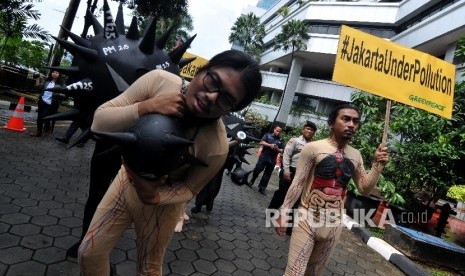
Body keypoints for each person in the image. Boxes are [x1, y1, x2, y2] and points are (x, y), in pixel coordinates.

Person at [78, 50, 262, 275]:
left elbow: (190, 188)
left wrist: (154, 195)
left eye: (226, 99)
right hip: (124, 183)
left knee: (148, 269)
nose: (211, 97)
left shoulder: (216, 146)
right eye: (212, 81)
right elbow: (98, 124)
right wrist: (147, 107)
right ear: (200, 72)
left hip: (163, 208)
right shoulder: (159, 81)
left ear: (231, 109)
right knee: (89, 253)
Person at [275, 104, 390, 275]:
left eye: (355, 121)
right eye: (346, 119)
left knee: (314, 272)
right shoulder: (313, 148)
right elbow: (298, 183)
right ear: (331, 123)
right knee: (294, 272)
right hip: (307, 216)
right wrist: (284, 212)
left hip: (334, 222)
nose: (351, 124)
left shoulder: (355, 155)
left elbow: (364, 189)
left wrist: (377, 166)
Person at [268, 121, 317, 234]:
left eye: (312, 130)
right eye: (308, 129)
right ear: (303, 130)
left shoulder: (313, 145)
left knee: (296, 199)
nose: (309, 131)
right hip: (290, 170)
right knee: (282, 194)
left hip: (302, 175)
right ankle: (270, 214)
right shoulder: (294, 140)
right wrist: (286, 171)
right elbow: (286, 155)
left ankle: (289, 227)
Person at [247, 125, 285, 195]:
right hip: (264, 157)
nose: (278, 132)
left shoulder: (281, 140)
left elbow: (282, 150)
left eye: (280, 132)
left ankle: (262, 188)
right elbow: (262, 142)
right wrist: (270, 145)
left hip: (272, 160)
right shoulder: (267, 135)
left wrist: (277, 149)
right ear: (274, 129)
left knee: (267, 175)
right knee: (258, 169)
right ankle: (252, 180)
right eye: (277, 131)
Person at [30, 70, 65, 137]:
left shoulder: (61, 84)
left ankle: (47, 127)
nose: (54, 74)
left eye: (57, 73)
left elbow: (64, 93)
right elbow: (38, 87)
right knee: (40, 116)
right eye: (53, 72)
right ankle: (39, 131)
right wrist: (37, 79)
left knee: (44, 116)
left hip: (51, 103)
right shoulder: (47, 81)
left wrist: (61, 94)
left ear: (59, 75)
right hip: (42, 101)